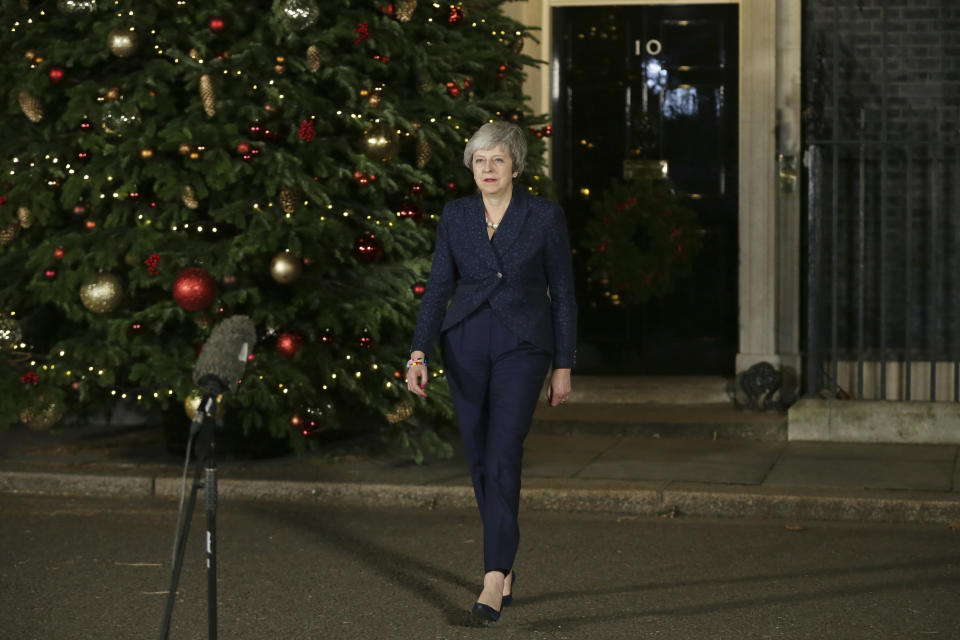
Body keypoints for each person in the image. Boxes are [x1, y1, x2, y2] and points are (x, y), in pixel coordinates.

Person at [406, 121, 577, 623]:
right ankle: (504, 566)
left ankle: (493, 576)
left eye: (497, 160)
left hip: (523, 346)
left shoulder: (544, 217)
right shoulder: (456, 216)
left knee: (503, 452)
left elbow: (563, 293)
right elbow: (438, 288)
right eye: (479, 161)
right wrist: (419, 353)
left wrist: (563, 365)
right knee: (479, 457)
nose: (487, 169)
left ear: (515, 166)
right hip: (464, 342)